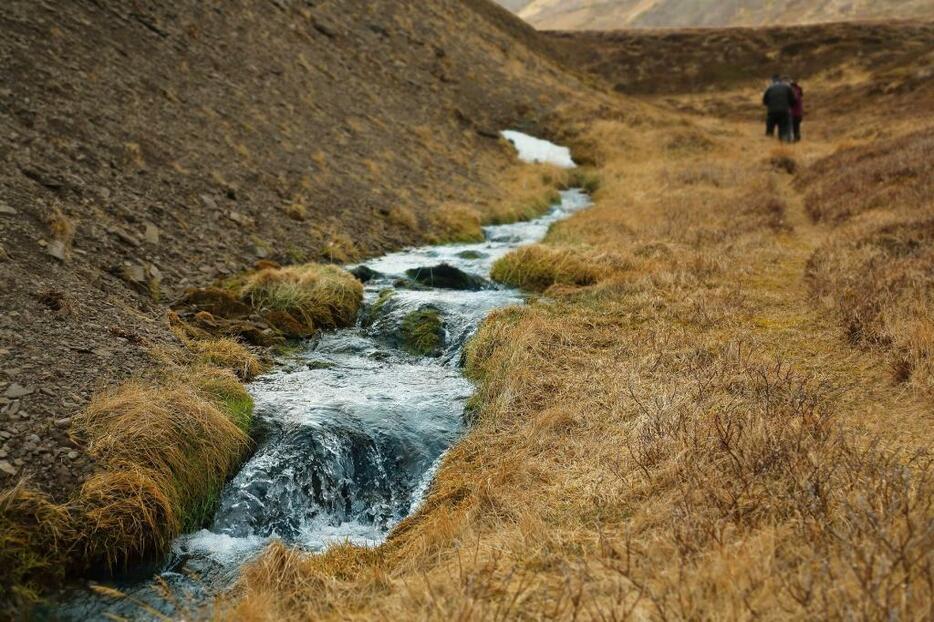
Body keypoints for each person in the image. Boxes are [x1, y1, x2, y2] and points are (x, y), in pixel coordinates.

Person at [762, 75, 795, 142]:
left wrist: (770, 105)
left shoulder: (769, 88)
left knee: (770, 128)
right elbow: (792, 100)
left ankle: (768, 143)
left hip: (772, 111)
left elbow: (764, 101)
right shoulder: (787, 87)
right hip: (784, 111)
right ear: (781, 81)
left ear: (772, 81)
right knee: (783, 128)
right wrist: (788, 106)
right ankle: (783, 142)